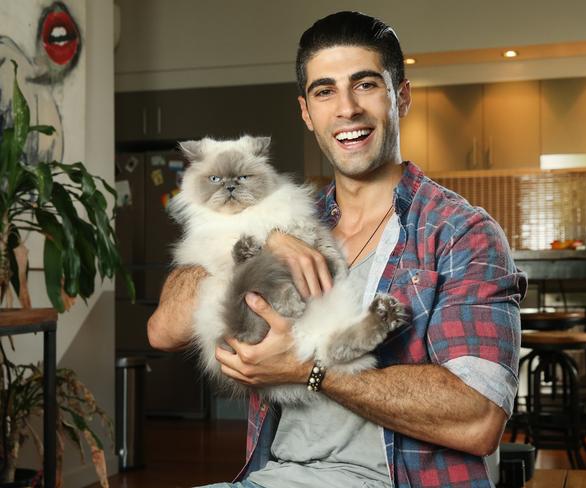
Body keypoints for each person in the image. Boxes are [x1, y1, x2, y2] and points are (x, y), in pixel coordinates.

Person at [147, 11, 527, 488]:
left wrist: (310, 369)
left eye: (365, 84)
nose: (346, 108)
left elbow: (479, 418)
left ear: (400, 97)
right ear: (307, 112)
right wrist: (258, 241)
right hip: (274, 477)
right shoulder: (289, 221)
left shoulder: (459, 232)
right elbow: (163, 330)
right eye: (325, 91)